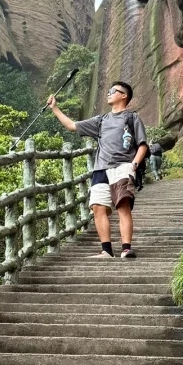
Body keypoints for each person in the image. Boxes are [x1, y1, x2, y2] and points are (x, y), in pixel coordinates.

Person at [47, 80, 148, 259]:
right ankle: (106, 251)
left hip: (123, 166)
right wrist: (55, 109)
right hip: (100, 168)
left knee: (123, 205)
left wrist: (133, 165)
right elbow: (72, 126)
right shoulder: (100, 120)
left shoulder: (132, 118)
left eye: (113, 91)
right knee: (98, 207)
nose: (109, 93)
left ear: (124, 96)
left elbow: (142, 145)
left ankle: (126, 248)